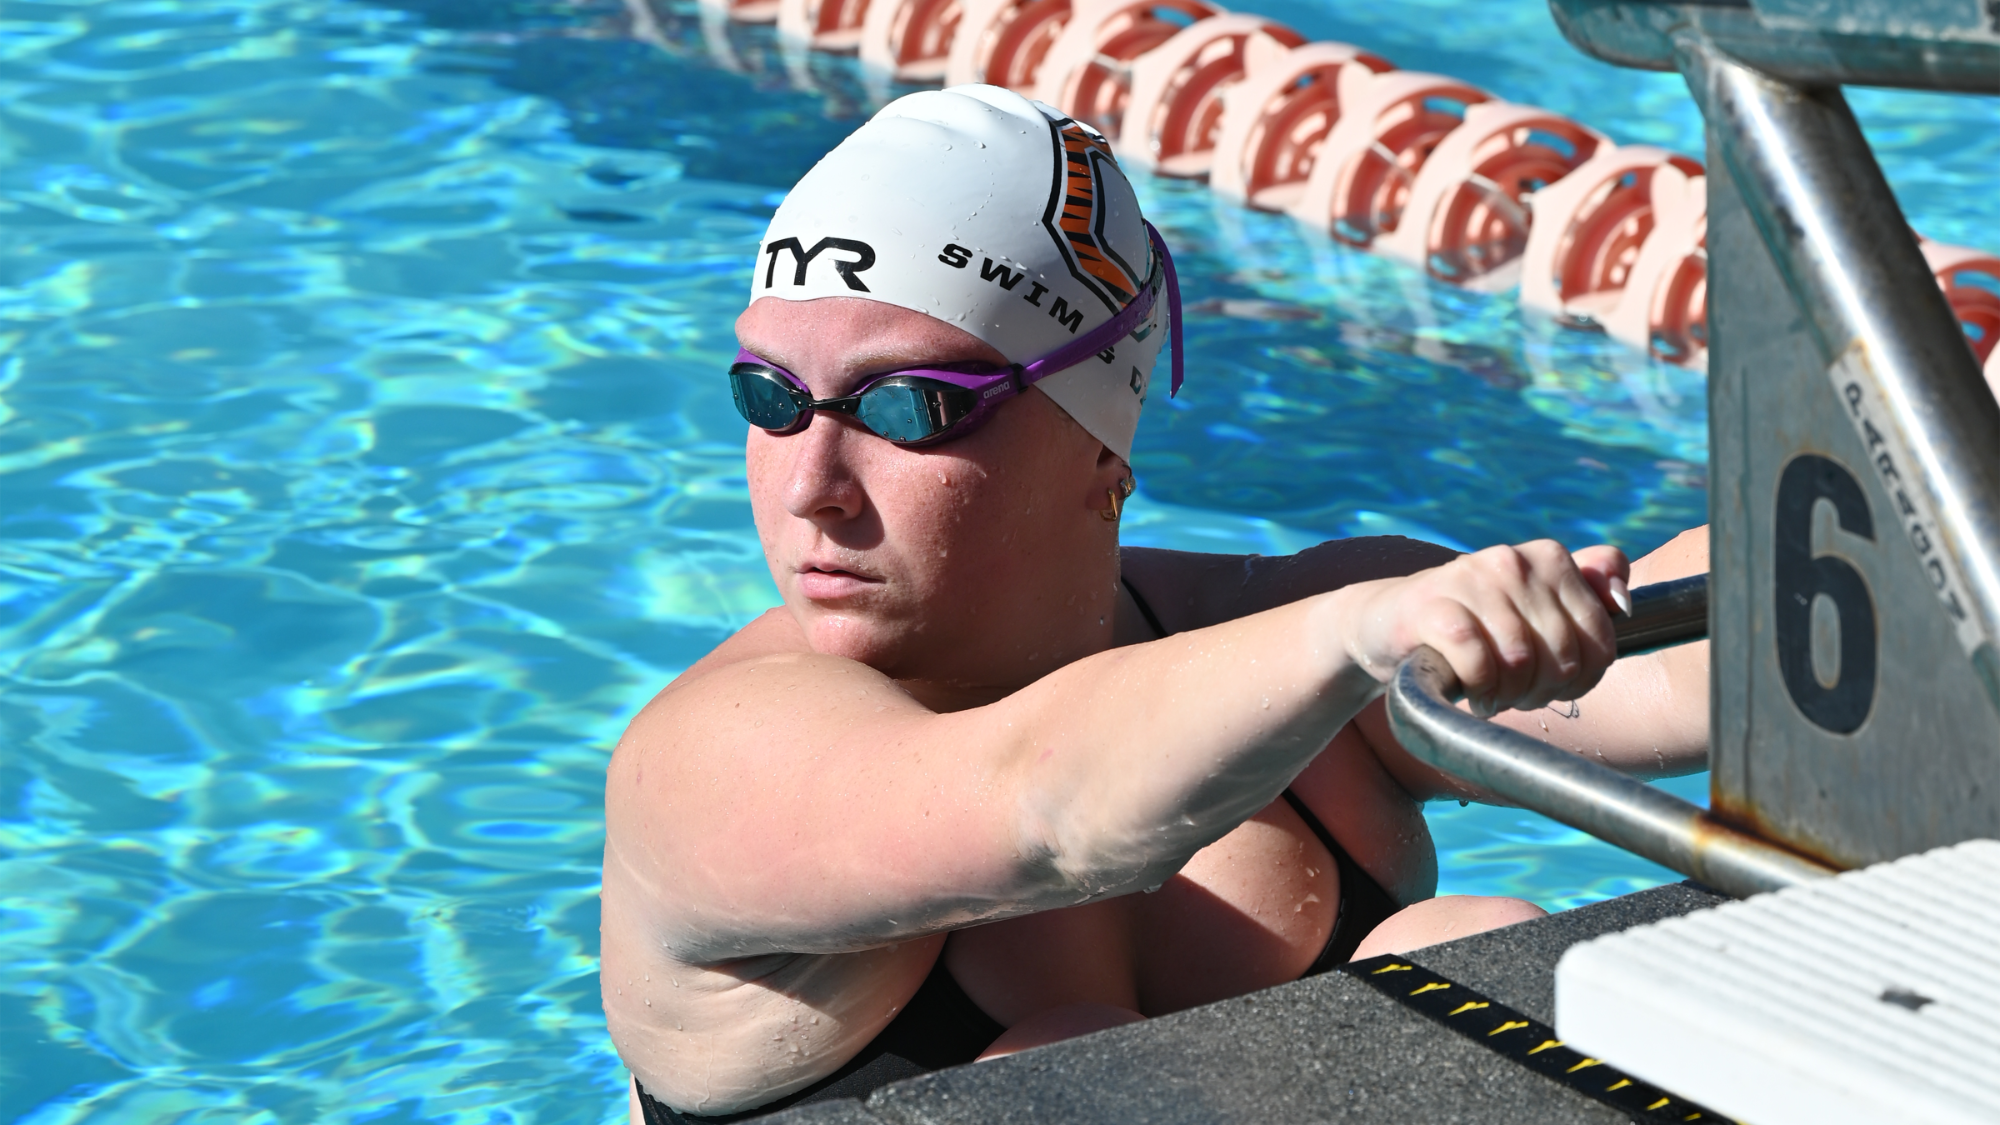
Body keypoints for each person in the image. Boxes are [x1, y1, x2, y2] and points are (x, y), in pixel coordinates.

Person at [600, 85, 1710, 1123]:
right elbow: (1051, 809)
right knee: (1071, 1063)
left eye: (906, 407)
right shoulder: (707, 764)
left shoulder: (1273, 623)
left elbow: (1681, 679)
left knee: (1473, 951)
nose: (811, 487)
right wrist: (1360, 634)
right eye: (770, 397)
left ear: (1096, 442)